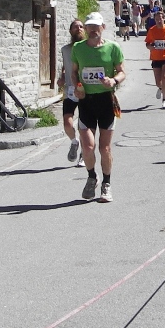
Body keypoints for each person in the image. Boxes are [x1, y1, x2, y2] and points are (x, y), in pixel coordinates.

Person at [71, 12, 126, 202]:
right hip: (86, 102)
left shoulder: (113, 48)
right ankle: (92, 177)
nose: (93, 30)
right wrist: (77, 88)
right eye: (90, 27)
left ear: (103, 27)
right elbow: (74, 72)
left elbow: (122, 72)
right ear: (85, 29)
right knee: (88, 146)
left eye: (97, 26)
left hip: (106, 101)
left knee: (105, 148)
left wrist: (113, 80)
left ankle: (107, 184)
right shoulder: (78, 48)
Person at [57, 19, 86, 167]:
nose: (79, 29)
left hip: (87, 91)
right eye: (76, 27)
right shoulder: (65, 50)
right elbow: (65, 66)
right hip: (70, 90)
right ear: (70, 31)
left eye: (81, 27)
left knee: (83, 125)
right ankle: (74, 143)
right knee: (67, 123)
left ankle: (83, 154)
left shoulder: (88, 48)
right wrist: (62, 77)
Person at [145, 10, 165, 109]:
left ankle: (164, 99)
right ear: (154, 20)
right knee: (158, 82)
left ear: (164, 18)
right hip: (155, 57)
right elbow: (147, 43)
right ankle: (160, 88)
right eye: (156, 19)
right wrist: (149, 47)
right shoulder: (152, 30)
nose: (159, 21)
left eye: (160, 19)